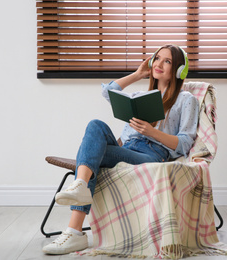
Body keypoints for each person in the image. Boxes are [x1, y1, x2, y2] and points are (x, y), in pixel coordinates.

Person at [42, 44, 199, 255]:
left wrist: (152, 132)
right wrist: (138, 74)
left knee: (90, 156)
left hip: (151, 155)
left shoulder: (186, 100)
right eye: (157, 58)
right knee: (95, 125)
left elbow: (185, 142)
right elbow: (108, 91)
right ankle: (80, 185)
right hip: (125, 149)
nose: (159, 64)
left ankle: (74, 230)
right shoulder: (141, 95)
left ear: (179, 70)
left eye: (167, 61)